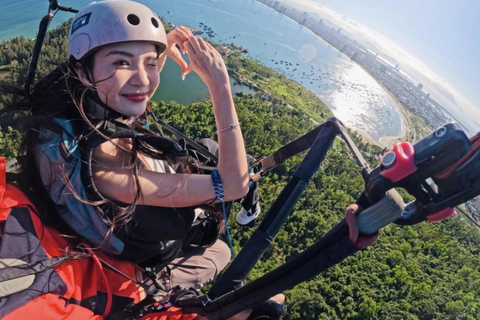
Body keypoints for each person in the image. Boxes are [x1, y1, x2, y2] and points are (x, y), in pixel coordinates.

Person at [0, 1, 376, 318]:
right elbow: (232, 186)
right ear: (83, 70)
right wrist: (219, 85)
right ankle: (164, 280)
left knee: (207, 148)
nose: (144, 79)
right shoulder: (107, 167)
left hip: (103, 209)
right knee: (220, 249)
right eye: (121, 62)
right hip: (131, 249)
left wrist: (162, 49)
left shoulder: (72, 112)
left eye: (150, 62)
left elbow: (133, 88)